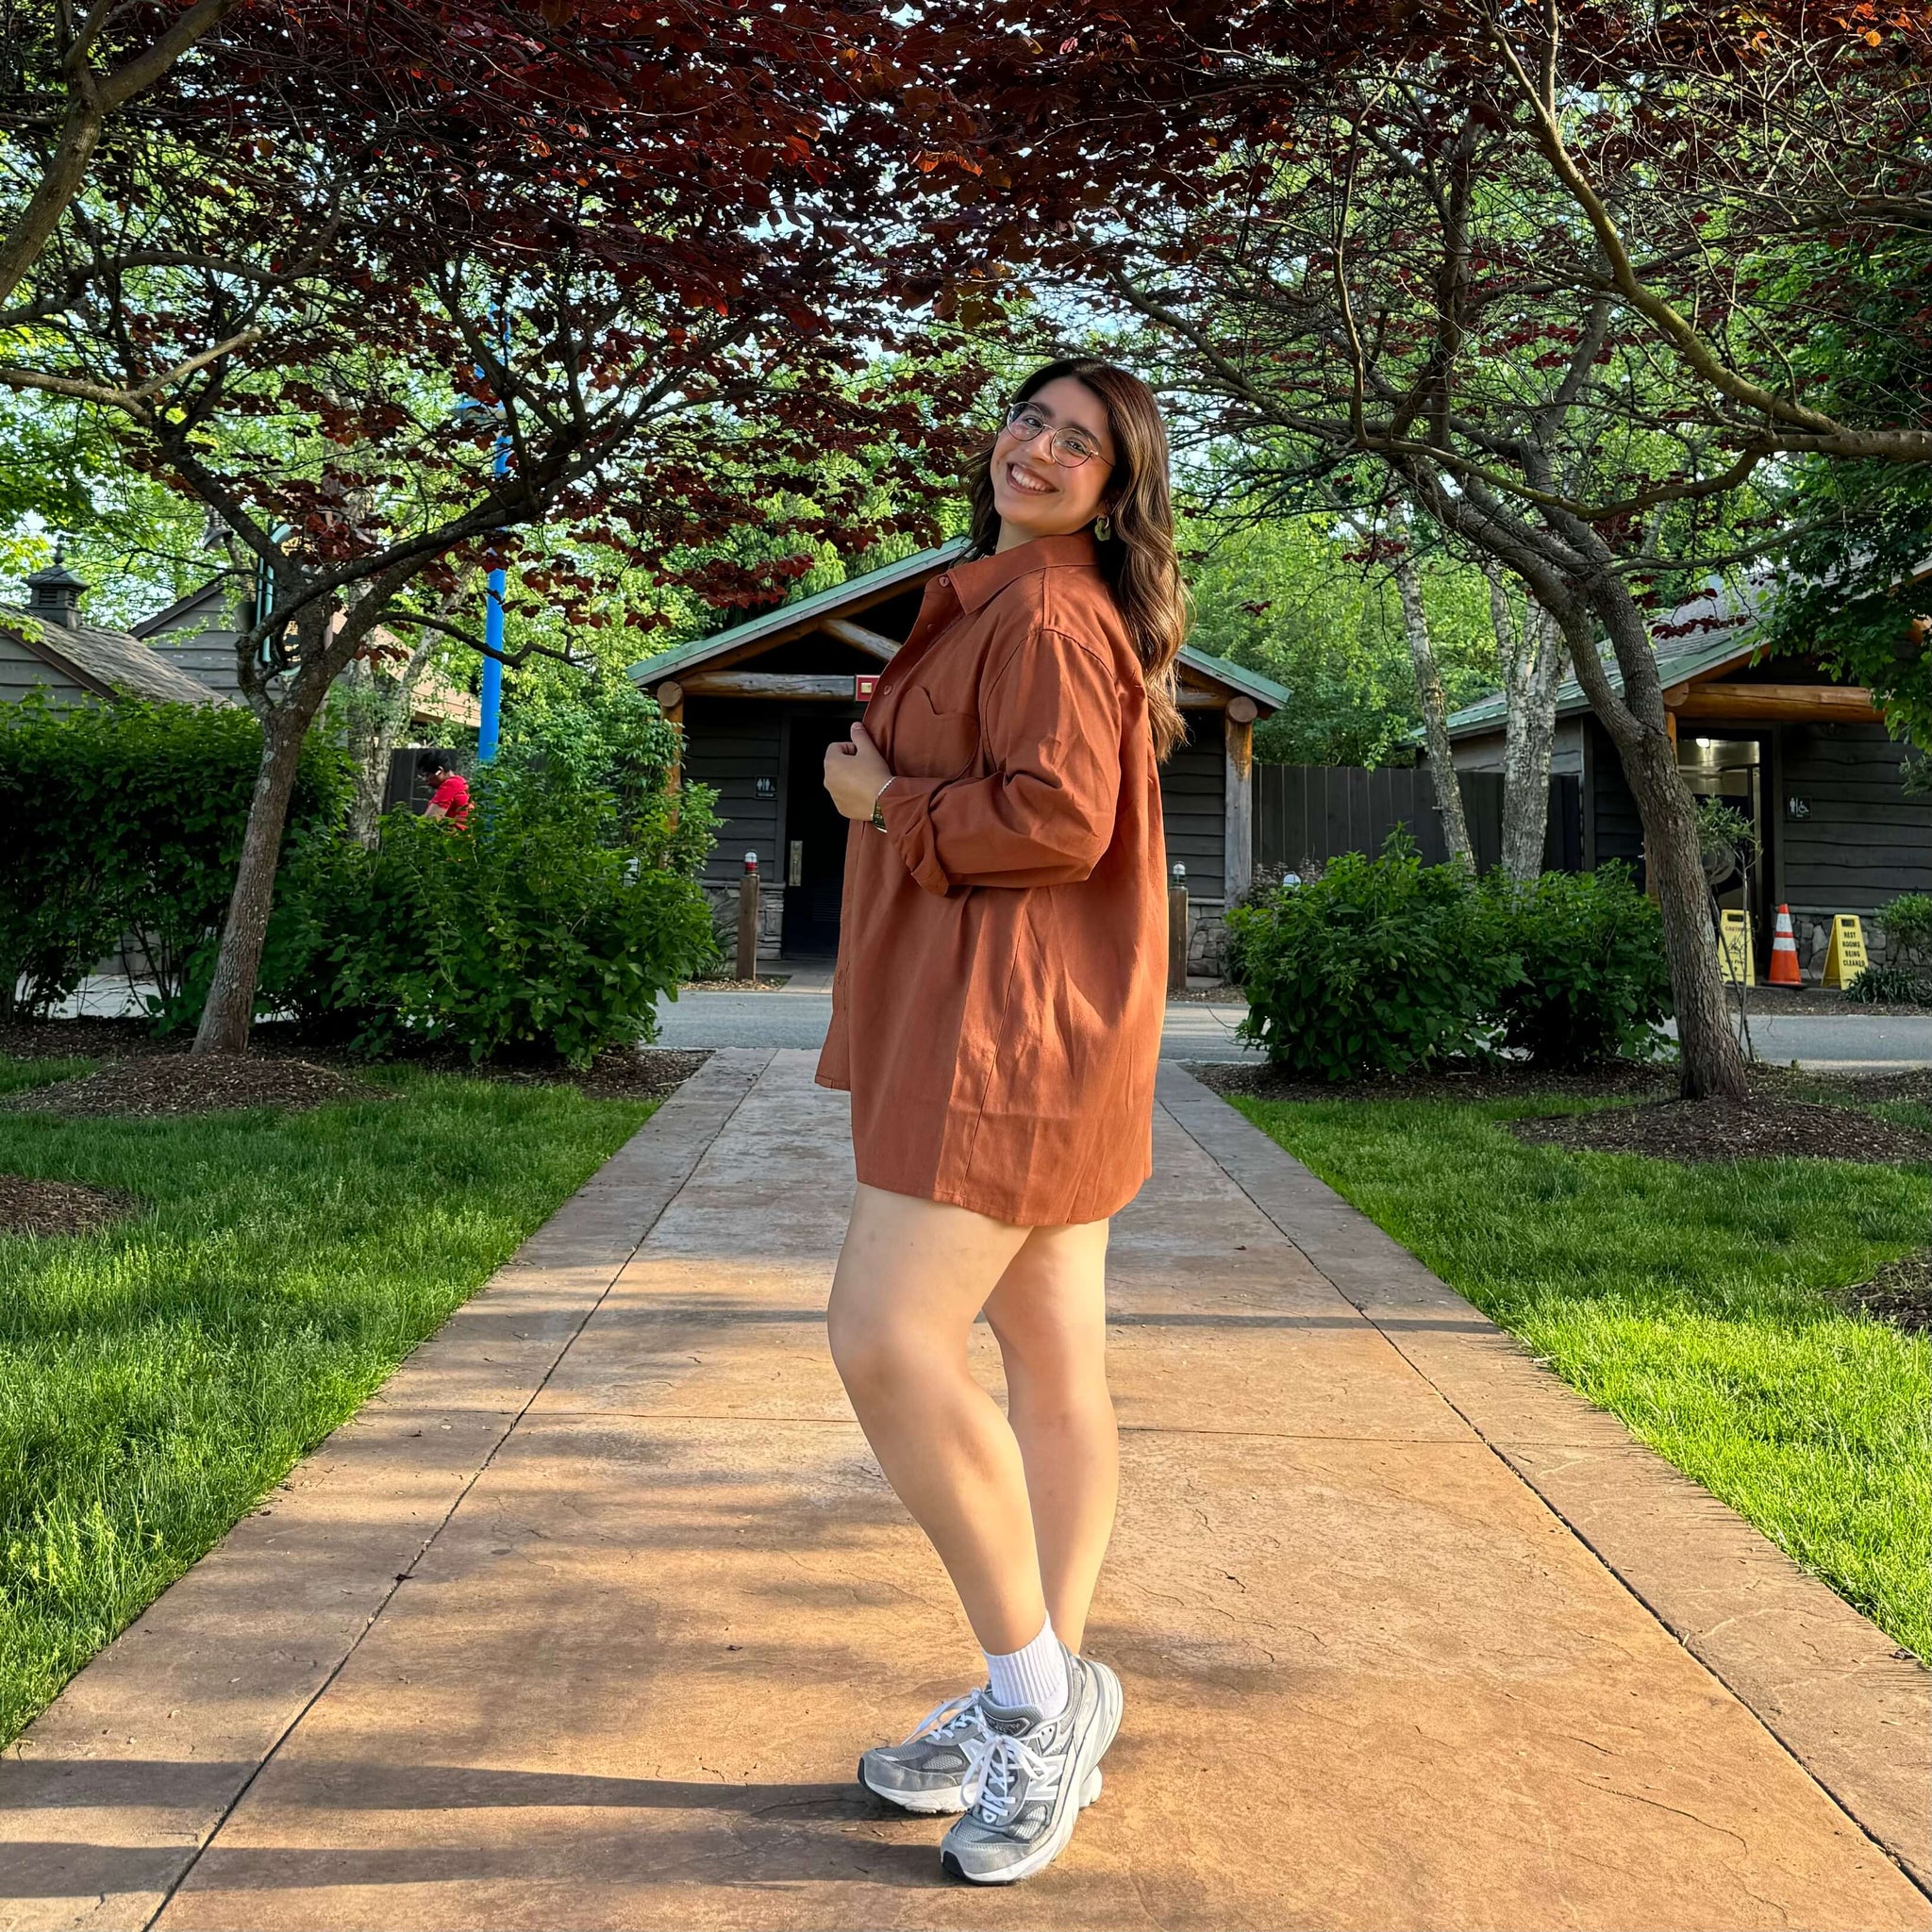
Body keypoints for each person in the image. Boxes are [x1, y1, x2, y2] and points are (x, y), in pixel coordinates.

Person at [817, 358, 1186, 1885]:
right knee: (1053, 1369)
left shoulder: (1041, 609)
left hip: (1002, 1034)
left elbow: (1056, 819)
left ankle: (1035, 1703)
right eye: (1029, 419)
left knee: (882, 1338)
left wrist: (880, 801)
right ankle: (1045, 1694)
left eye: (1076, 442)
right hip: (1038, 1023)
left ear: (1114, 487)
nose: (1035, 447)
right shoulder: (1030, 600)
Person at [418, 753, 471, 828]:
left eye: (427, 775)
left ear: (439, 771)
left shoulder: (450, 785)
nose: (425, 780)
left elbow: (430, 821)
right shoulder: (460, 781)